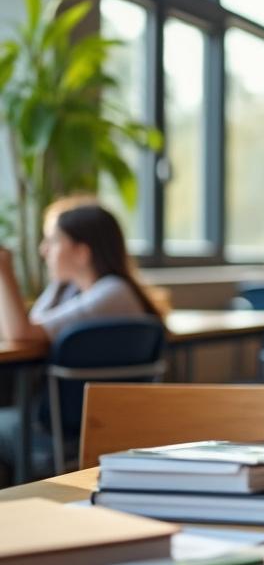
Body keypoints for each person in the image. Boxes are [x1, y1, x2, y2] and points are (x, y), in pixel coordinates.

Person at [0, 198, 163, 484]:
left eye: (53, 241)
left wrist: (4, 270)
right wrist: (59, 282)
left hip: (68, 430)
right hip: (78, 426)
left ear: (81, 252)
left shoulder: (113, 293)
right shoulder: (79, 292)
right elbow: (28, 327)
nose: (43, 250)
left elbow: (21, 334)